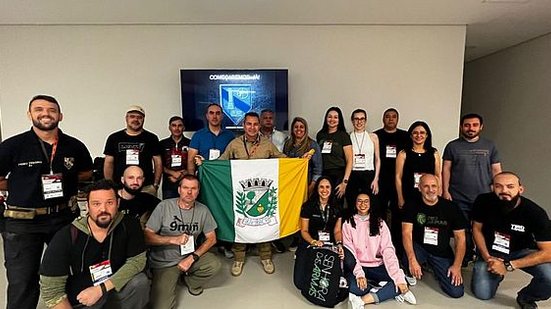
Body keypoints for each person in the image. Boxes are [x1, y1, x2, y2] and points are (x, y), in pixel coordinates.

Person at [0, 95, 93, 309]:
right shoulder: (13, 146)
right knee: (22, 280)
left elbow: (86, 172)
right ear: (29, 114)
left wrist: (66, 181)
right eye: (39, 109)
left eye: (52, 110)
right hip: (23, 221)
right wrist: (18, 186)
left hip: (62, 217)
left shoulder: (74, 145)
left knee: (69, 271)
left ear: (60, 115)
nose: (46, 114)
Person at [40, 179, 149, 309]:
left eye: (109, 203)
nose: (103, 209)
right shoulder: (66, 236)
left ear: (118, 203)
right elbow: (51, 290)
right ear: (87, 206)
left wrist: (100, 289)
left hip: (111, 289)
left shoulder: (129, 225)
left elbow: (137, 261)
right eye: (96, 204)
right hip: (83, 298)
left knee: (139, 282)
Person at [213, 112, 286, 276]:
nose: (252, 127)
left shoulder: (267, 144)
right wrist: (204, 164)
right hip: (242, 194)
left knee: (264, 223)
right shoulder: (235, 144)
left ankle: (266, 257)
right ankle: (239, 258)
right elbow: (221, 162)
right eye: (249, 124)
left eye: (255, 124)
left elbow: (283, 160)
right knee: (241, 223)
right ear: (244, 126)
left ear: (259, 126)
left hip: (263, 193)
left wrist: (300, 162)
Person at [471, 172, 551, 308]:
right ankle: (495, 272)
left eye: (510, 186)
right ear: (492, 188)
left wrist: (509, 265)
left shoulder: (535, 213)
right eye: (499, 186)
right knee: (483, 294)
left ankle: (527, 297)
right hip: (491, 252)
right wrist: (488, 258)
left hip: (522, 251)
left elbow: (548, 252)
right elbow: (476, 230)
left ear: (520, 189)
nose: (504, 191)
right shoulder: (482, 201)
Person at [145, 175, 221, 309]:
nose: (189, 192)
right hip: (165, 262)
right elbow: (147, 236)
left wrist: (193, 257)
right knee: (161, 306)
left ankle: (189, 281)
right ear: (179, 190)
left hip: (189, 257)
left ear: (198, 191)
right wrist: (172, 239)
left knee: (214, 265)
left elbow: (212, 238)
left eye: (193, 188)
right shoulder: (164, 206)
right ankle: (169, 279)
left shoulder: (203, 210)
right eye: (185, 188)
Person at [442, 113, 502, 265]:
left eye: (475, 125)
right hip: (458, 196)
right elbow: (446, 169)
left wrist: (499, 190)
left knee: (483, 228)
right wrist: (445, 190)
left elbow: (496, 170)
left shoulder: (490, 146)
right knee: (462, 229)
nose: (471, 128)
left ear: (481, 127)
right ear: (462, 127)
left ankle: (483, 256)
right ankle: (464, 257)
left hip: (484, 196)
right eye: (467, 125)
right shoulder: (452, 146)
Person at [343, 193, 415, 308]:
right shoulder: (348, 223)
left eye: (366, 201)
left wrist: (398, 278)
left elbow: (388, 251)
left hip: (376, 266)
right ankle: (384, 290)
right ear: (355, 203)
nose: (363, 204)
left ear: (371, 204)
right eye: (359, 201)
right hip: (358, 266)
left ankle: (362, 301)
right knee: (354, 287)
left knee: (401, 281)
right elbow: (350, 252)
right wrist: (359, 274)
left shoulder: (380, 222)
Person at [402, 174, 466, 298]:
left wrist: (457, 266)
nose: (430, 190)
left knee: (456, 292)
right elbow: (406, 233)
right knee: (406, 259)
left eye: (433, 186)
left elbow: (460, 239)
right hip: (420, 248)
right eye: (426, 186)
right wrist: (412, 260)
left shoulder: (451, 207)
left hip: (441, 252)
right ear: (419, 188)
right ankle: (413, 267)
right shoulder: (411, 205)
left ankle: (433, 267)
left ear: (439, 187)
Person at [293, 176, 343, 290]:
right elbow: (304, 231)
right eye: (321, 187)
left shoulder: (337, 207)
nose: (324, 190)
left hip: (329, 242)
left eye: (327, 187)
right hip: (310, 241)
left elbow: (337, 231)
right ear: (317, 189)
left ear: (331, 189)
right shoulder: (308, 206)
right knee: (299, 283)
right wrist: (313, 241)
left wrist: (339, 243)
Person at [374, 108, 410, 260]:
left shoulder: (404, 136)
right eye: (387, 117)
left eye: (393, 117)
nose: (390, 119)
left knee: (397, 215)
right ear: (383, 119)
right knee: (379, 214)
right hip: (380, 181)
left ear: (397, 119)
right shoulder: (376, 136)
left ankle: (397, 248)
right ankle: (378, 246)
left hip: (398, 181)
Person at [103, 105, 162, 195]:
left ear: (143, 119)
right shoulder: (114, 138)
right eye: (132, 116)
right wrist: (110, 185)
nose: (136, 120)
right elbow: (108, 163)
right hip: (119, 187)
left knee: (148, 209)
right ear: (126, 119)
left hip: (146, 187)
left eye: (139, 117)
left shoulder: (151, 138)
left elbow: (158, 162)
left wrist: (156, 184)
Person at [396, 121, 441, 209]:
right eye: (415, 133)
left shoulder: (434, 153)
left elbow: (438, 175)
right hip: (408, 193)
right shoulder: (403, 153)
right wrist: (400, 197)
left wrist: (439, 193)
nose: (419, 135)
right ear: (411, 135)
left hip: (428, 193)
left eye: (422, 133)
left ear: (427, 135)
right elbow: (398, 177)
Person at [316, 107, 353, 213]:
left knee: (336, 205)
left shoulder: (343, 135)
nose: (332, 119)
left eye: (336, 117)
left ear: (339, 120)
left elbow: (350, 160)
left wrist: (344, 182)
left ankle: (337, 229)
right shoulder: (320, 134)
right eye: (330, 116)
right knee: (323, 203)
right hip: (324, 174)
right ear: (326, 118)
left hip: (339, 174)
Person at [345, 109, 380, 212]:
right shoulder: (348, 136)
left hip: (369, 174)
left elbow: (377, 159)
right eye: (356, 119)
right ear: (352, 121)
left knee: (371, 205)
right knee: (352, 204)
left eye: (362, 119)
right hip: (353, 174)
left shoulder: (373, 137)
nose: (359, 122)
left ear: (365, 121)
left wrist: (376, 179)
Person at [187, 103, 235, 175]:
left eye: (218, 113)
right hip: (204, 175)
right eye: (211, 113)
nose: (214, 116)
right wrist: (191, 179)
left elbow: (234, 158)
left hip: (224, 175)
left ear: (222, 116)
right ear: (207, 116)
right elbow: (190, 160)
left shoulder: (230, 135)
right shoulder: (198, 135)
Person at [283, 117, 322, 197]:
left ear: (305, 129)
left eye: (301, 127)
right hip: (291, 184)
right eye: (296, 127)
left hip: (306, 184)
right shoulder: (287, 144)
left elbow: (318, 169)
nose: (298, 129)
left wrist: (312, 185)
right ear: (292, 129)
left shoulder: (312, 145)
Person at [160, 116, 191, 199]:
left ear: (184, 127)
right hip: (168, 184)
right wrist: (173, 173)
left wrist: (180, 175)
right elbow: (159, 165)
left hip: (186, 183)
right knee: (169, 209)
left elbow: (193, 164)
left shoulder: (190, 143)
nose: (177, 128)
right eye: (174, 125)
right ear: (169, 127)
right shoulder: (162, 144)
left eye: (180, 125)